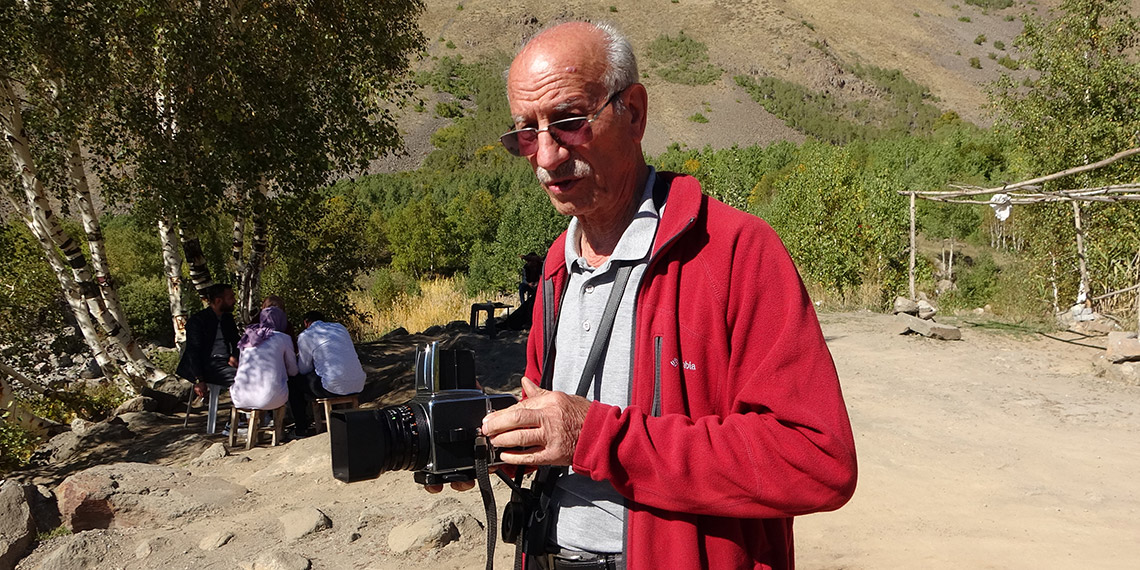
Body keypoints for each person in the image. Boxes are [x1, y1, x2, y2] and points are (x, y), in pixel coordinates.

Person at [461, 22, 857, 570]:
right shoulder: (557, 264)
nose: (547, 157)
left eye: (570, 123)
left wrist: (593, 435)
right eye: (526, 134)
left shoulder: (735, 251)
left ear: (635, 112)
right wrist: (494, 443)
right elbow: (555, 433)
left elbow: (817, 460)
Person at [288, 310, 366, 436]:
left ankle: (301, 427)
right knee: (327, 374)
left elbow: (303, 369)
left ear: (306, 323)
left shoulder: (306, 335)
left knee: (293, 383)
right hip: (359, 383)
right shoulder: (340, 327)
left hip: (332, 387)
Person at [176, 283, 240, 399]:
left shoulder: (227, 318)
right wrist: (199, 379)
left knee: (258, 372)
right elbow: (193, 351)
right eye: (230, 297)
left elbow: (236, 341)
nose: (234, 301)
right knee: (243, 378)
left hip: (225, 362)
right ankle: (249, 413)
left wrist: (234, 356)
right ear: (218, 301)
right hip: (207, 365)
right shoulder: (198, 321)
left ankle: (256, 412)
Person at [229, 306, 297, 411]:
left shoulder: (247, 338)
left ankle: (259, 420)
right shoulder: (283, 338)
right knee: (286, 384)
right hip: (272, 399)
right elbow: (293, 371)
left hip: (239, 398)